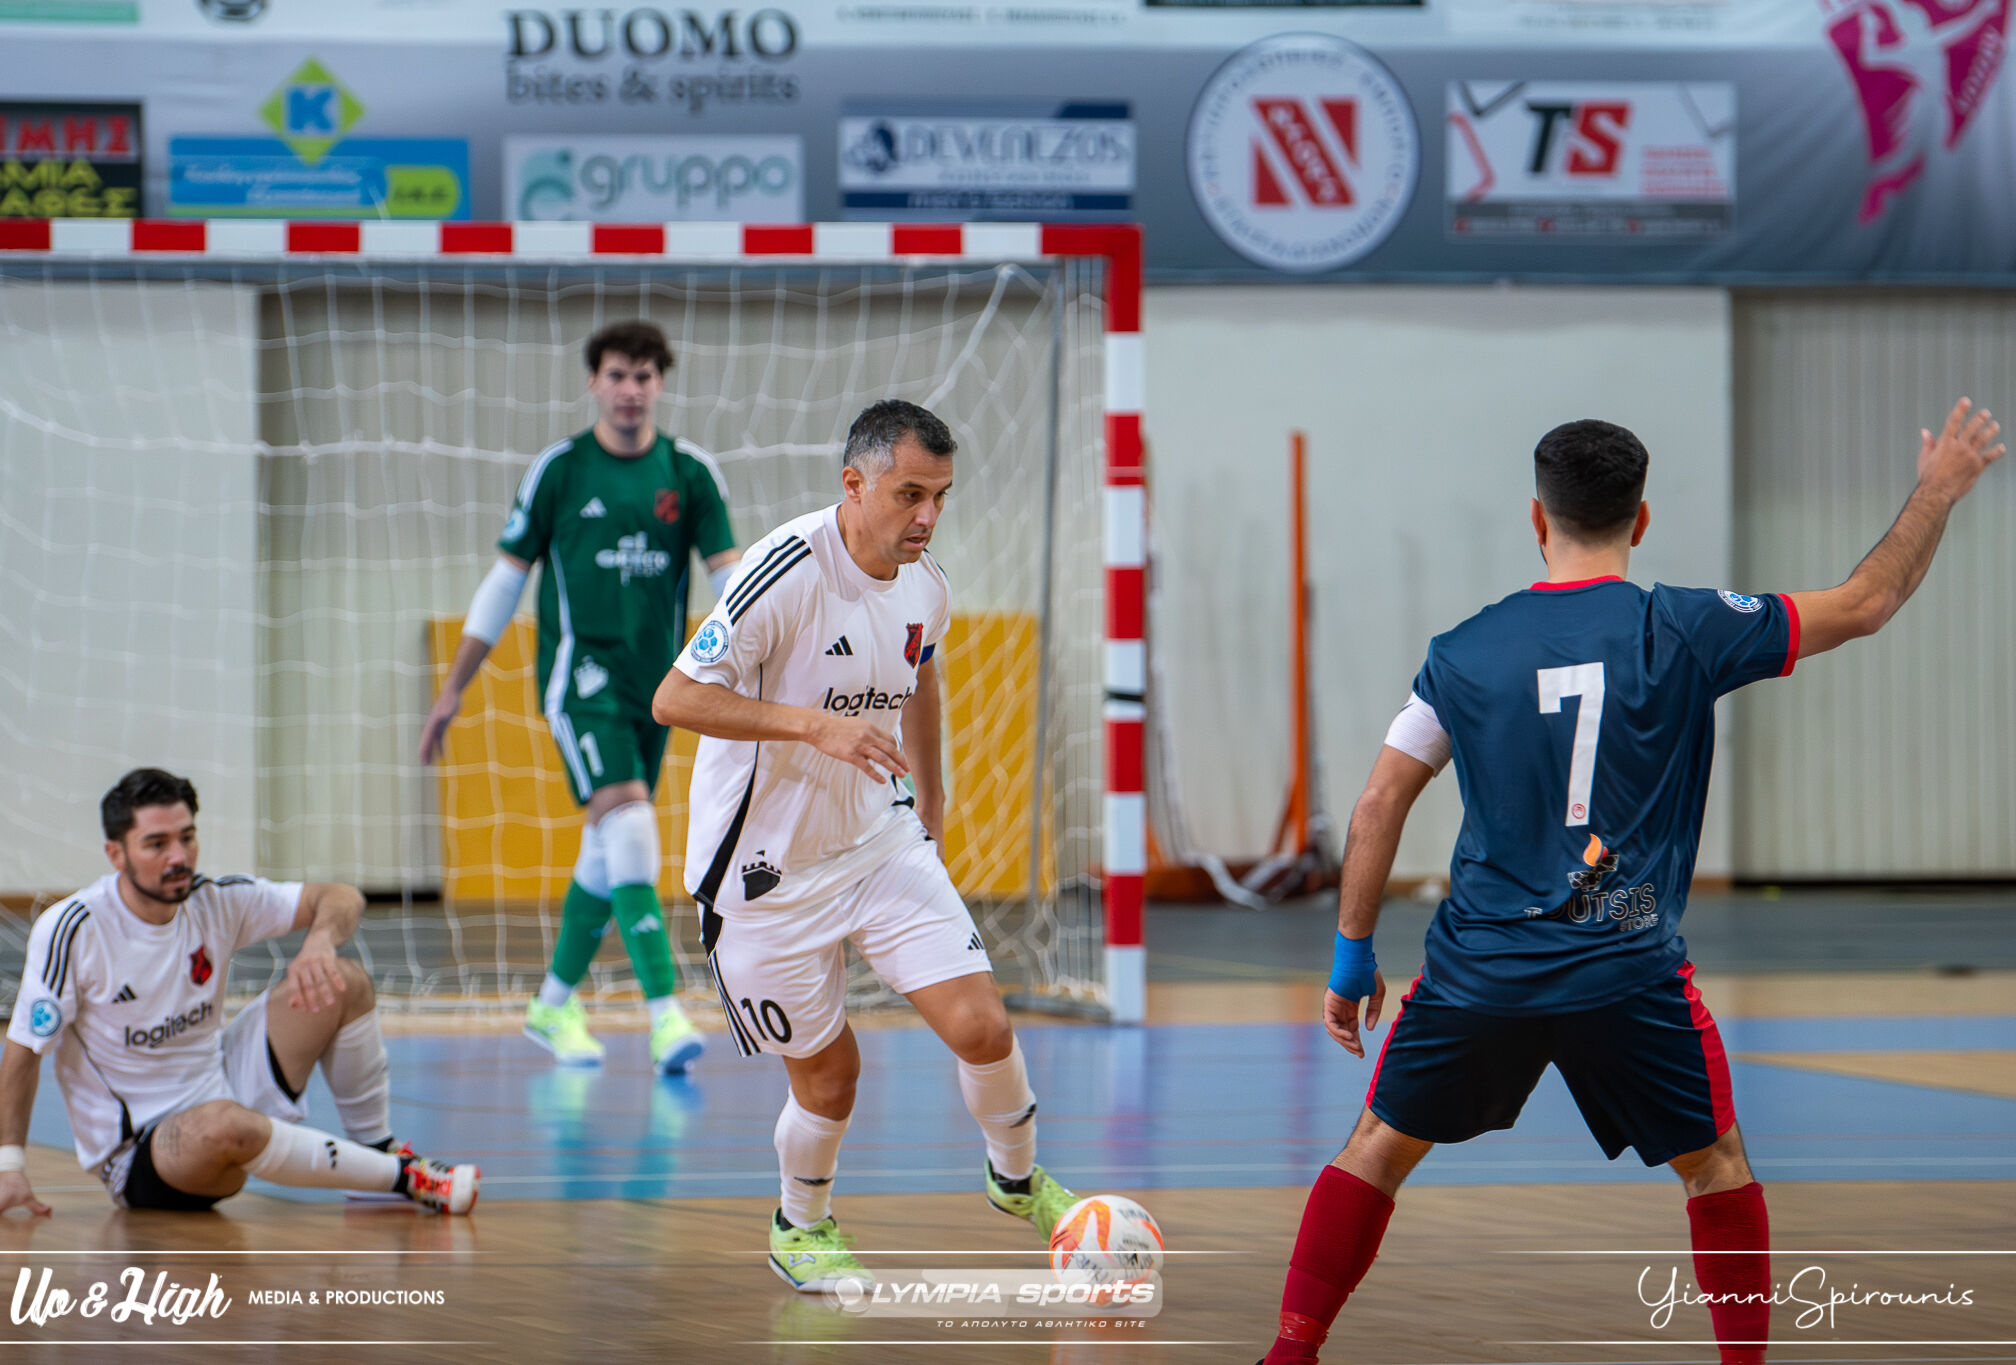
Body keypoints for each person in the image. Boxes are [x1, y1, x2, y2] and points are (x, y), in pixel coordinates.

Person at [1258, 399, 2005, 1365]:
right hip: (1626, 967)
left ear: (1537, 518)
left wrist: (1352, 955)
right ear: (1641, 519)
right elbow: (1865, 602)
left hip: (1482, 972)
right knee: (1716, 1166)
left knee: (1374, 1148)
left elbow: (1376, 805)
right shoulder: (1687, 627)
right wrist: (1938, 489)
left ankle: (1290, 1351)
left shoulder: (1463, 651)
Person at [652, 399, 1077, 1292]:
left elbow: (920, 672)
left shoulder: (928, 585)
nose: (928, 515)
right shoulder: (785, 570)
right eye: (909, 493)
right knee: (832, 1076)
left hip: (879, 843)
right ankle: (799, 1225)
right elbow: (675, 698)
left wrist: (932, 802)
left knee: (984, 1024)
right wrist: (812, 724)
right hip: (764, 878)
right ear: (855, 483)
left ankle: (1017, 1179)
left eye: (942, 496)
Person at [420, 321, 741, 1072]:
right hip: (581, 682)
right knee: (630, 823)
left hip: (659, 689)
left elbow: (731, 582)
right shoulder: (560, 471)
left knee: (607, 844)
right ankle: (664, 1011)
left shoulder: (690, 473)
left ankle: (552, 1003)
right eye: (617, 375)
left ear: (660, 385)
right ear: (593, 383)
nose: (630, 389)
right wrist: (454, 688)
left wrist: (771, 661)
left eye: (644, 376)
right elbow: (505, 582)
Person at [0, 769, 478, 1216]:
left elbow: (341, 896)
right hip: (145, 1152)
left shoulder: (215, 900)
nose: (179, 857)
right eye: (156, 844)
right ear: (115, 854)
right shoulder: (74, 929)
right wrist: (9, 1167)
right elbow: (23, 1052)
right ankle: (405, 1179)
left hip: (225, 1086)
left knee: (345, 980)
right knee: (226, 1125)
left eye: (187, 838)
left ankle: (377, 1147)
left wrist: (320, 942)